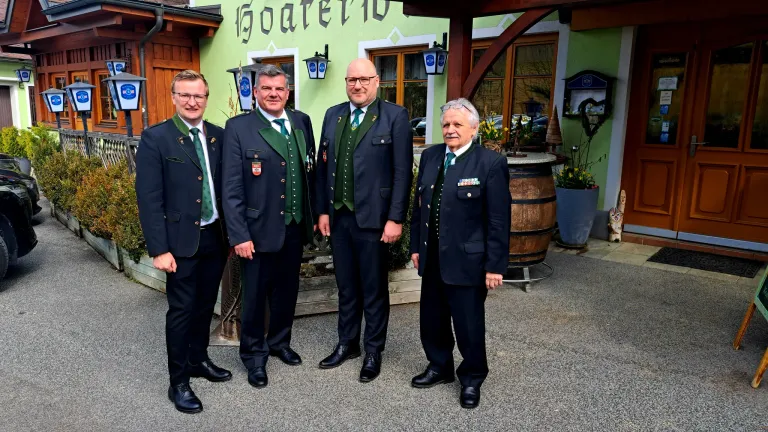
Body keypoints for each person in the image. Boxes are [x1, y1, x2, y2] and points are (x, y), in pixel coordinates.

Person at [135, 70, 231, 414]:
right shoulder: (156, 138)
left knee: (206, 305)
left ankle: (198, 359)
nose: (193, 102)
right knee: (181, 311)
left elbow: (227, 190)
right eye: (185, 95)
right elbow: (149, 198)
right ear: (174, 97)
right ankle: (178, 382)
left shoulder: (219, 137)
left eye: (199, 96)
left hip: (215, 237)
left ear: (206, 98)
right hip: (178, 243)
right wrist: (159, 249)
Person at [408, 98, 510, 409]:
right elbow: (419, 207)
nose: (450, 130)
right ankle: (439, 366)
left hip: (469, 261)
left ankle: (472, 377)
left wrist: (495, 266)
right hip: (433, 257)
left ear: (474, 129)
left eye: (457, 125)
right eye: (446, 125)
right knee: (432, 320)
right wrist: (415, 246)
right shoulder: (431, 156)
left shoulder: (489, 163)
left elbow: (498, 219)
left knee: (468, 324)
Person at [315, 58, 413, 382]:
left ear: (376, 81)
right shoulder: (333, 115)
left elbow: (402, 173)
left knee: (373, 289)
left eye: (363, 79)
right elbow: (322, 167)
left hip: (374, 219)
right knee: (345, 286)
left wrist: (395, 218)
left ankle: (373, 350)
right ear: (345, 82)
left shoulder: (395, 116)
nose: (357, 85)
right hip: (340, 218)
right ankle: (347, 343)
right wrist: (323, 210)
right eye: (351, 79)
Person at [222, 65, 317, 389]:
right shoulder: (239, 127)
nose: (273, 94)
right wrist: (239, 234)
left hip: (294, 225)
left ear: (287, 92)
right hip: (256, 230)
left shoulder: (302, 122)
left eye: (279, 88)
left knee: (287, 291)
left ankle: (279, 342)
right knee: (255, 296)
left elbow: (309, 172)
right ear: (256, 92)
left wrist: (315, 215)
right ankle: (253, 356)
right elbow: (231, 188)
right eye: (266, 88)